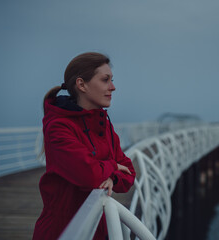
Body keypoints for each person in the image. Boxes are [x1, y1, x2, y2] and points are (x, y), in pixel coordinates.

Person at [33, 52, 136, 240]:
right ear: (81, 85)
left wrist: (111, 177)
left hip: (99, 228)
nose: (113, 87)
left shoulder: (102, 122)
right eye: (105, 80)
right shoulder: (58, 126)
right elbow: (88, 174)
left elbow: (129, 172)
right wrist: (112, 166)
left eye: (112, 80)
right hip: (63, 231)